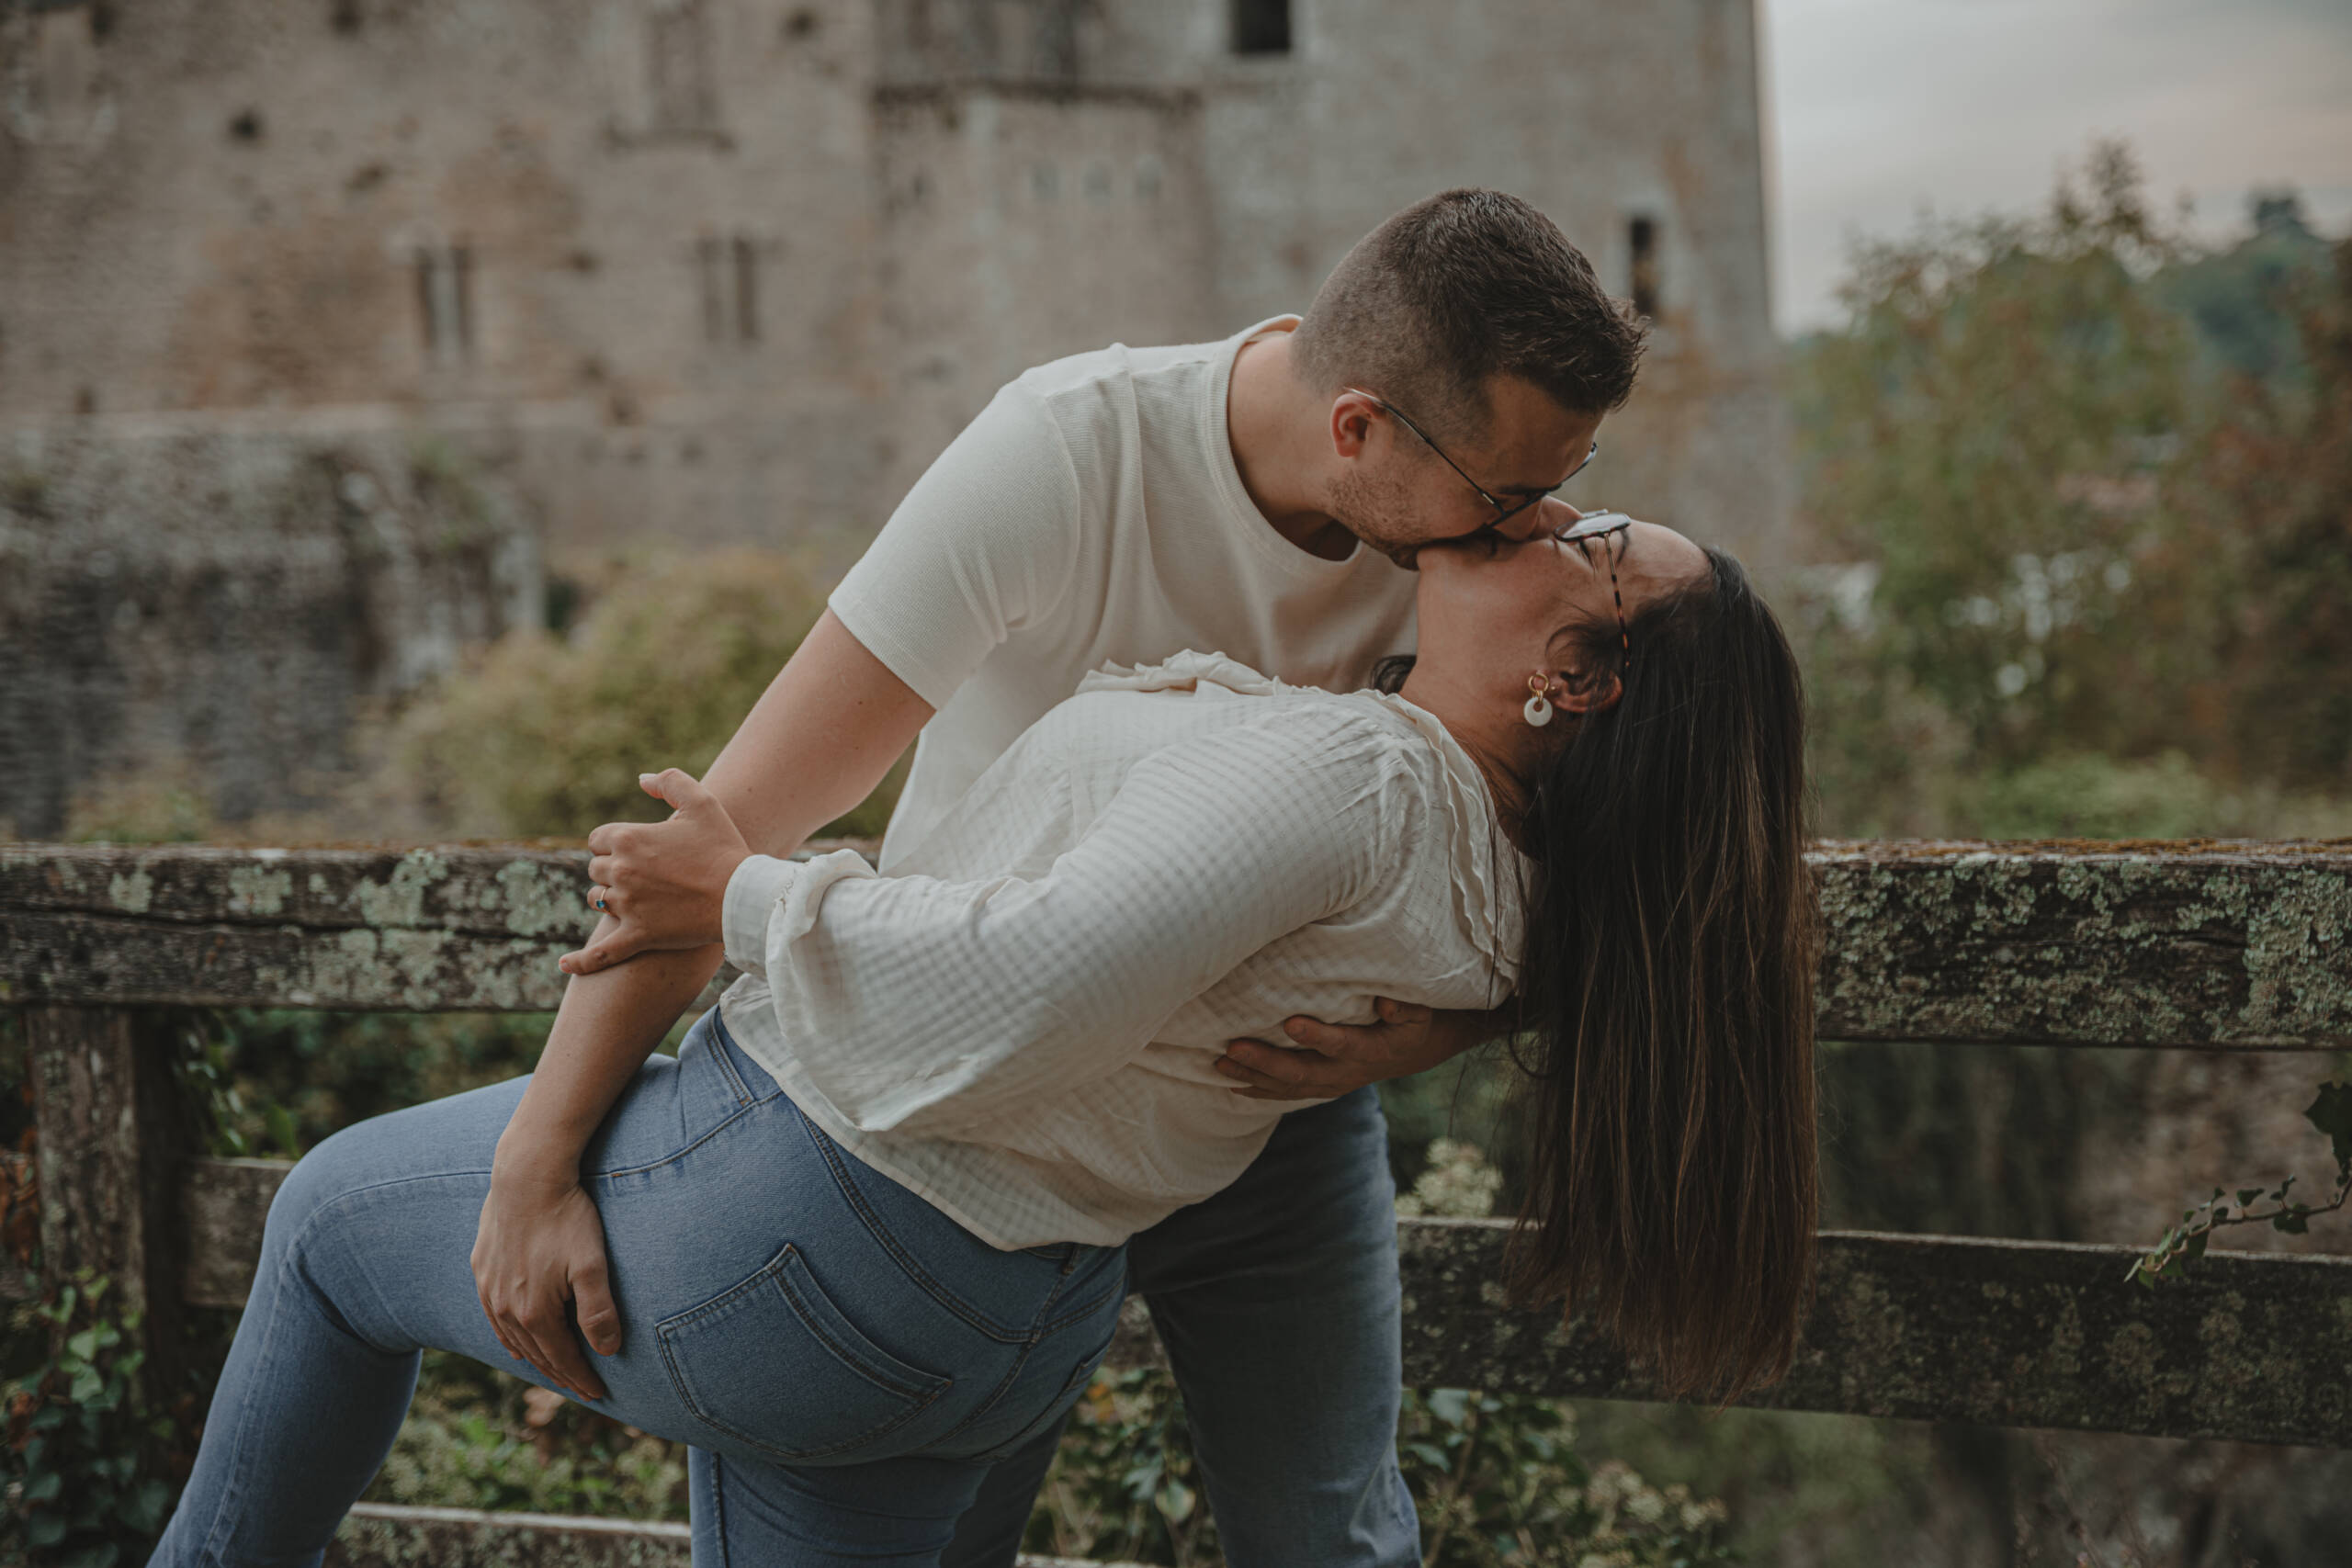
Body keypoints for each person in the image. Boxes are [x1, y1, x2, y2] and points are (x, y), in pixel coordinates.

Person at [150, 509, 1820, 1566]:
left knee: (318, 1227)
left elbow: (1010, 992)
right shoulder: (1513, 893)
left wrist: (741, 896)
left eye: (1592, 543)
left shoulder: (1357, 779)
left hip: (815, 1212)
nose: (1546, 512)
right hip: (1006, 1314)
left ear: (1575, 676)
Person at [484, 186, 1651, 1567]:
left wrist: (1469, 1017)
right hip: (995, 1121)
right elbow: (721, 835)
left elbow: (1651, 834)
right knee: (959, 1538)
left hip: (1272, 1109)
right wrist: (537, 1157)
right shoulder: (1067, 455)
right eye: (1514, 495)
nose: (1543, 526)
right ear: (1360, 428)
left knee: (1332, 1541)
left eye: (1561, 493)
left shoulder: (1488, 560)